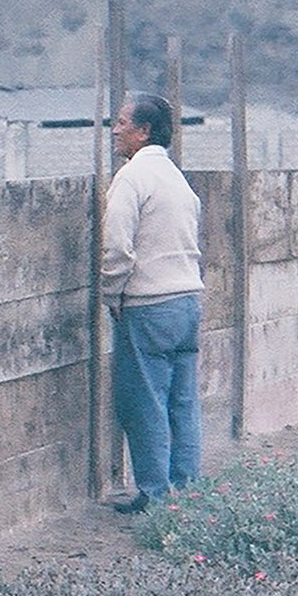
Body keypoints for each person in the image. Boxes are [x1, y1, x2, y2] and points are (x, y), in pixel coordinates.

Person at [101, 92, 204, 513]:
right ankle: (189, 490)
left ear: (143, 132)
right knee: (182, 401)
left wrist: (112, 294)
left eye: (123, 122)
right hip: (187, 301)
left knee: (144, 401)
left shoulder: (131, 177)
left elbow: (116, 246)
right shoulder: (175, 177)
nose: (116, 129)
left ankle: (155, 495)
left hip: (148, 303)